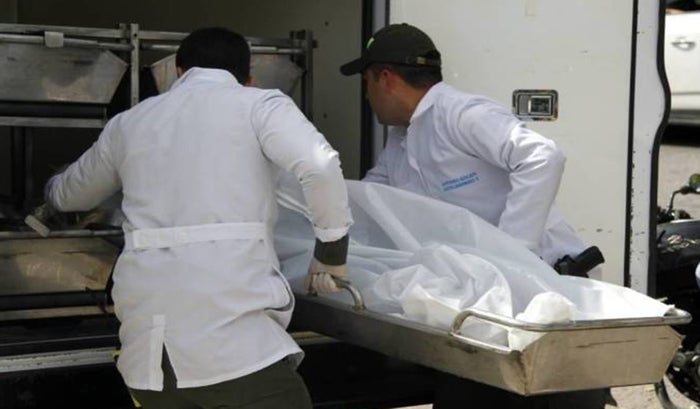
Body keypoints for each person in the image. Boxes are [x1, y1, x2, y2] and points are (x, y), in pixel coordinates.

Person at [45, 27, 352, 409]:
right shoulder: (260, 105)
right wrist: (331, 254)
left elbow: (70, 194)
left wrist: (48, 195)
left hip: (150, 359)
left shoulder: (129, 123)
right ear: (248, 79)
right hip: (234, 349)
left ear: (178, 71)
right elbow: (320, 165)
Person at [339, 23, 607, 409]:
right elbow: (369, 199)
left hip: (548, 300)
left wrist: (512, 255)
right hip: (485, 312)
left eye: (366, 83)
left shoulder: (458, 113)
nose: (367, 96)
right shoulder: (401, 140)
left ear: (385, 78)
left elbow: (542, 157)